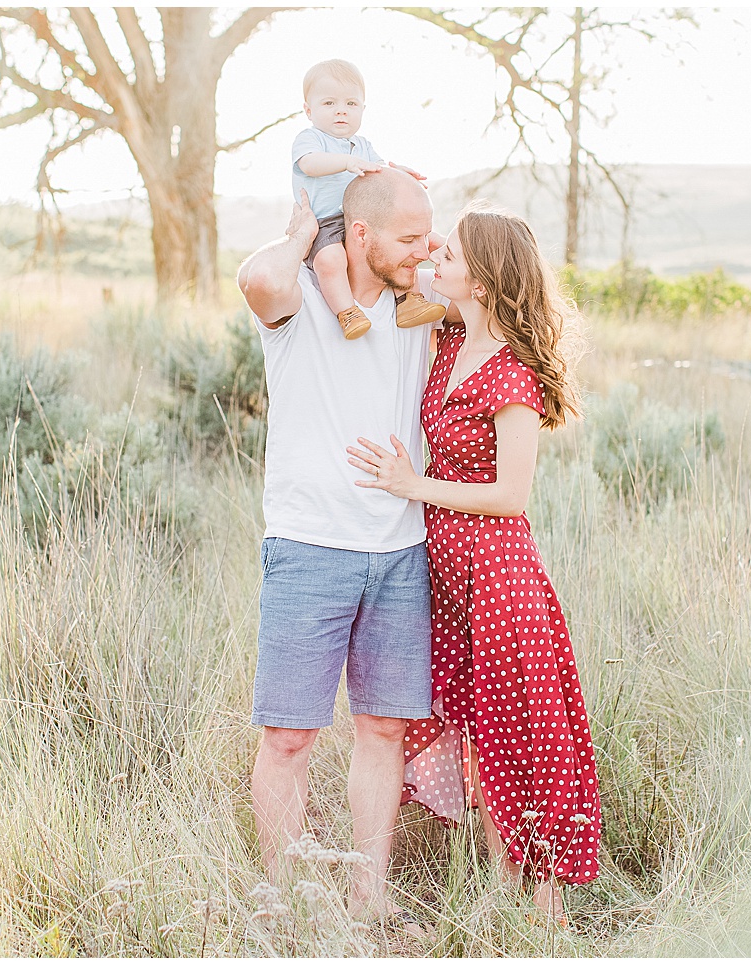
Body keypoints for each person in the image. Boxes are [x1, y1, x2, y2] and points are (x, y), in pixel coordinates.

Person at [345, 203, 602, 926]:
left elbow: (511, 495)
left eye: (449, 253)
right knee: (479, 739)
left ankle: (545, 912)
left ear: (484, 281)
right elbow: (395, 283)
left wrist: (410, 485)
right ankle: (499, 897)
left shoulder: (513, 375)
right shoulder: (448, 338)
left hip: (498, 575)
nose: (434, 257)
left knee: (521, 734)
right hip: (448, 575)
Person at [236, 167, 452, 926]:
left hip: (400, 549)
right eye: (408, 235)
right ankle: (287, 897)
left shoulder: (419, 307)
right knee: (291, 735)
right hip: (309, 545)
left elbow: (492, 278)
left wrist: (416, 216)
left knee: (383, 728)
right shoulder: (300, 305)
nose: (423, 248)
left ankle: (368, 896)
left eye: (429, 235)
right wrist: (304, 228)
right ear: (358, 234)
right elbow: (256, 276)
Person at [292, 59, 446, 340]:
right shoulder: (310, 139)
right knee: (331, 259)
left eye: (351, 103)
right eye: (329, 103)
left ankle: (409, 301)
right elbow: (309, 165)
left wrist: (398, 172)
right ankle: (347, 312)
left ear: (363, 108)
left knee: (396, 247)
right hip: (325, 221)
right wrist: (347, 162)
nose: (341, 110)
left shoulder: (362, 145)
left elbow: (378, 172)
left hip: (362, 215)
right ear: (308, 110)